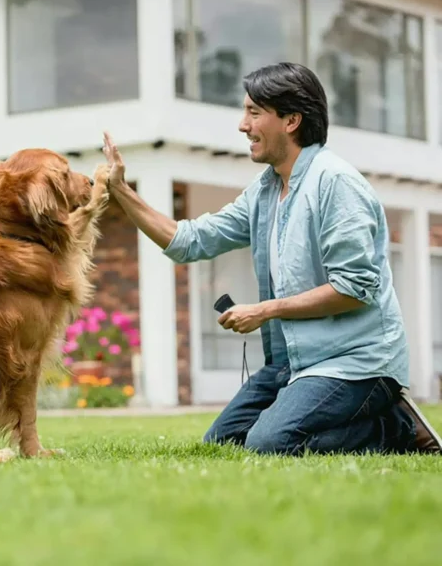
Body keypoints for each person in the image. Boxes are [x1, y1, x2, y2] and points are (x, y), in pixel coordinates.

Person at [101, 61, 442, 456]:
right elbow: (190, 241)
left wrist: (265, 310)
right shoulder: (264, 192)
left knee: (270, 443)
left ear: (291, 120)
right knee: (223, 444)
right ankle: (370, 421)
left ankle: (394, 429)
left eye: (253, 112)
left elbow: (355, 289)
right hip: (292, 362)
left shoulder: (336, 184)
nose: (242, 125)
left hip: (355, 363)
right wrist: (122, 191)